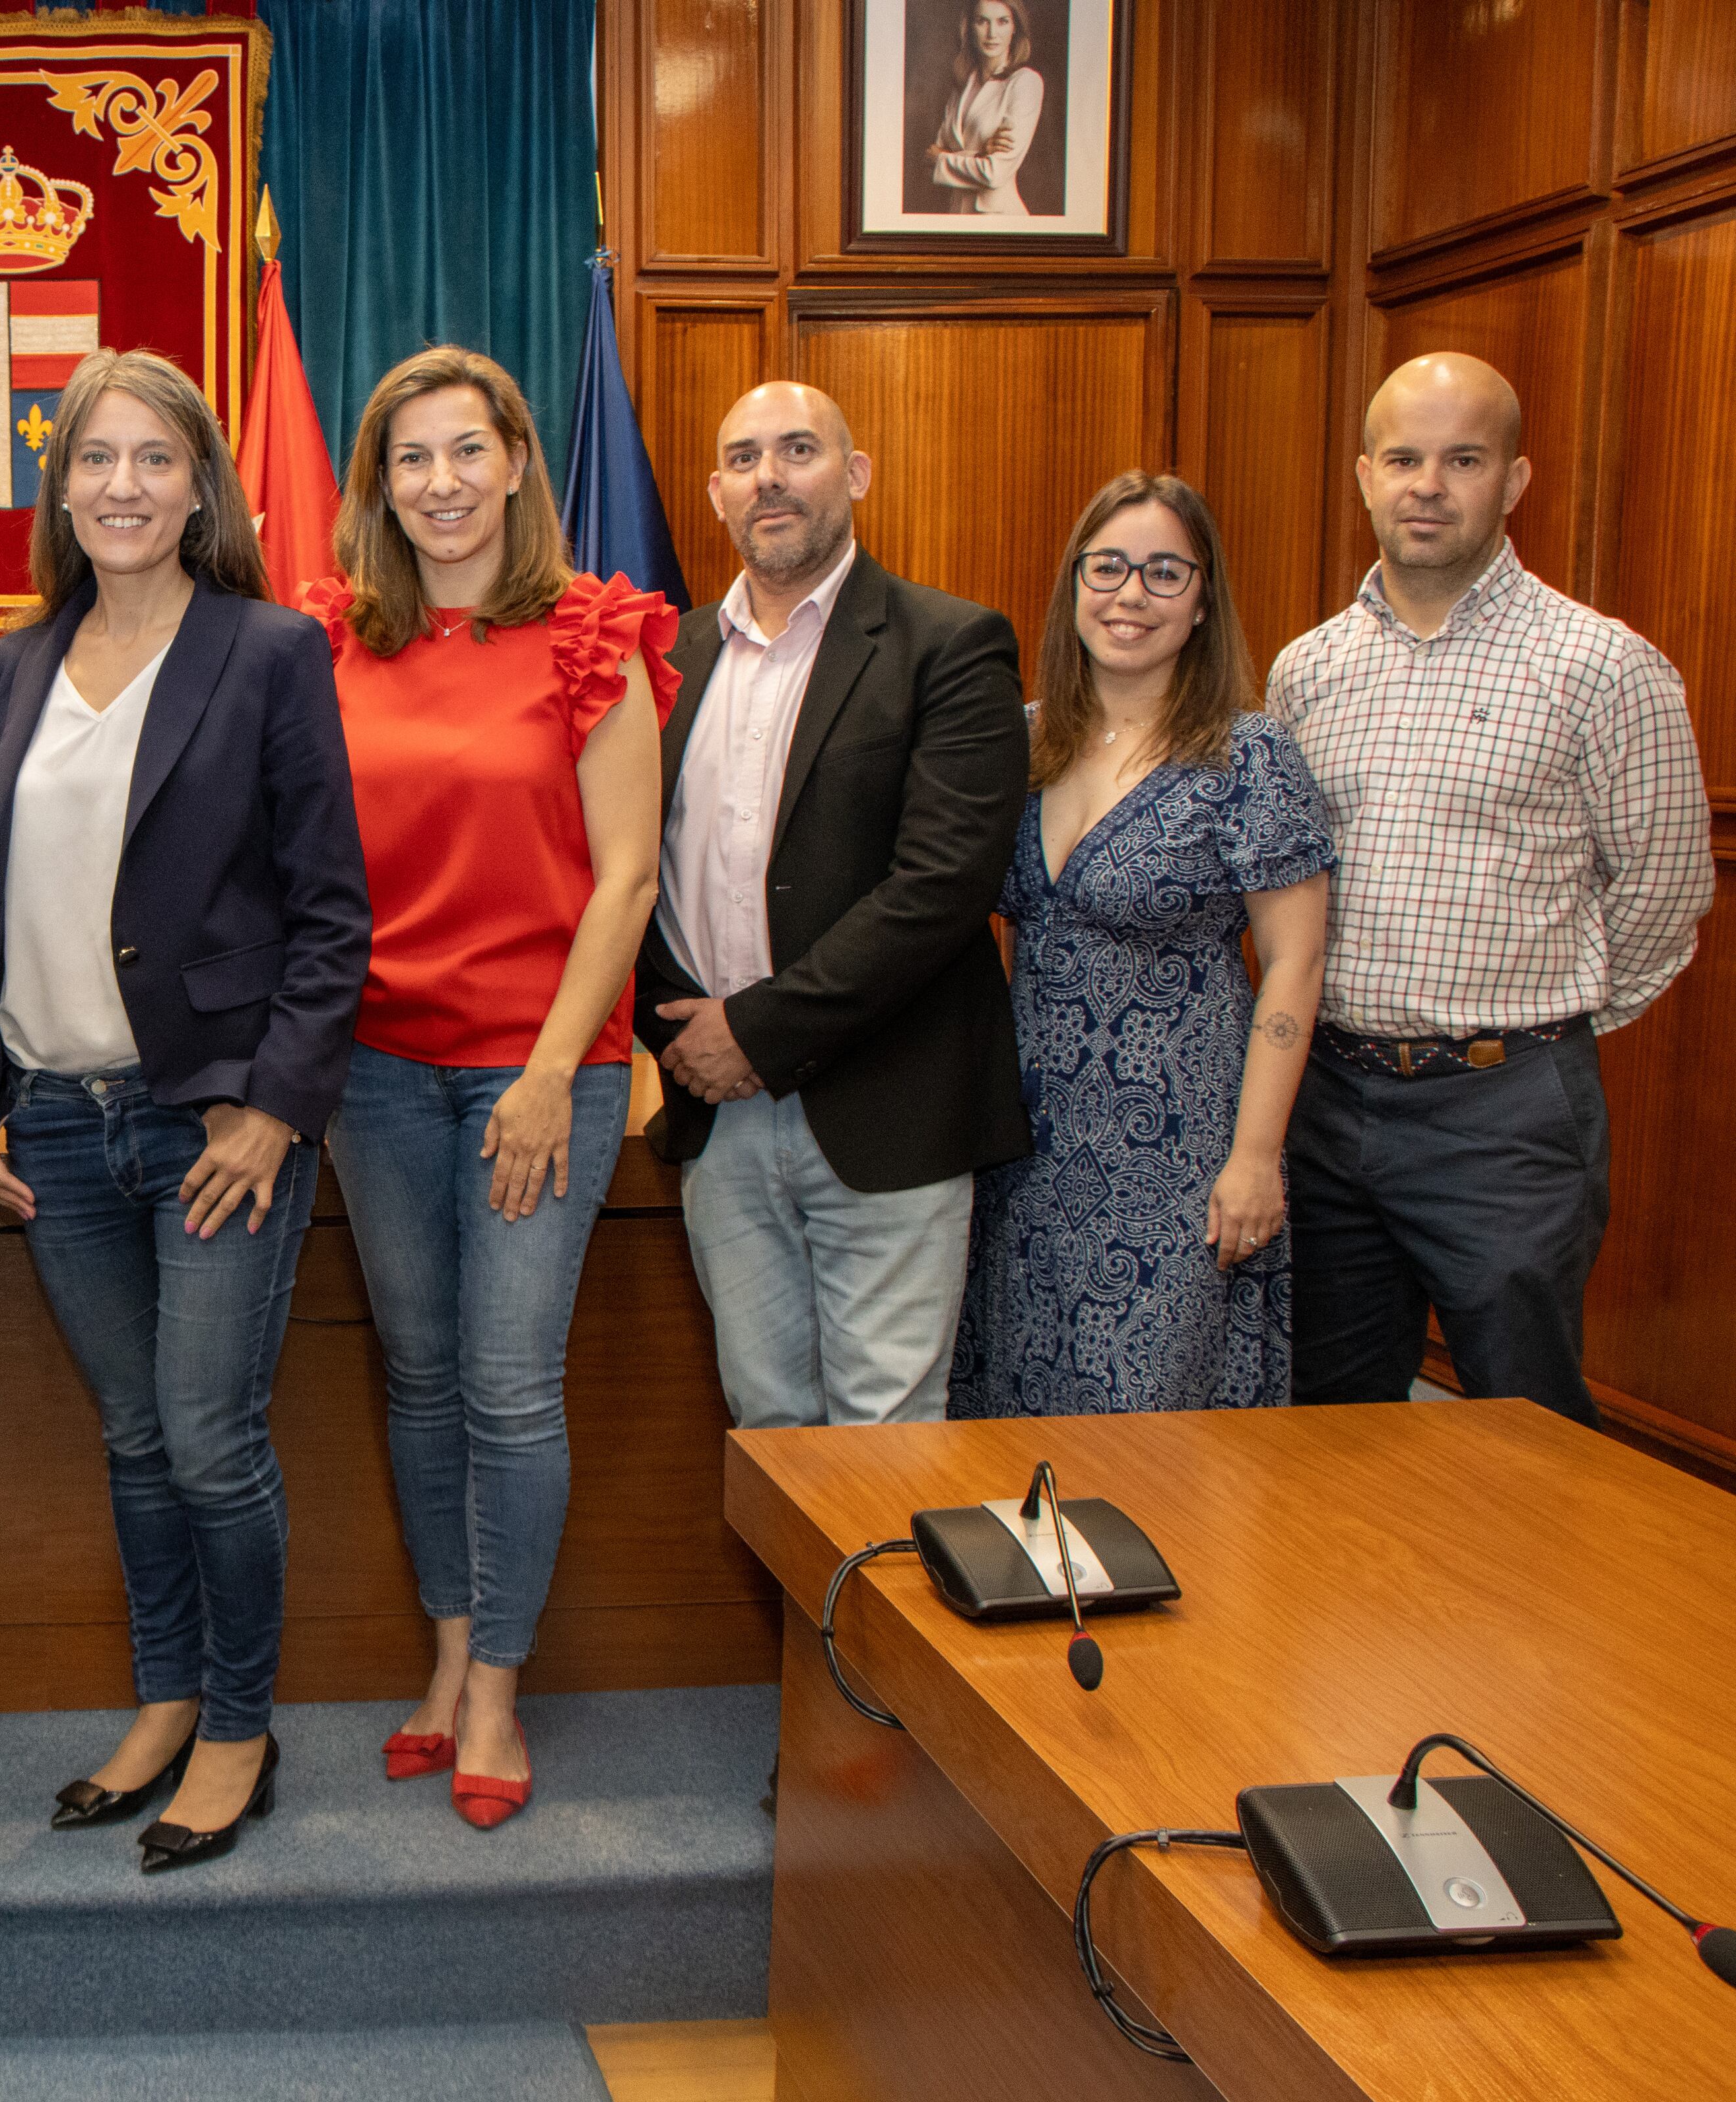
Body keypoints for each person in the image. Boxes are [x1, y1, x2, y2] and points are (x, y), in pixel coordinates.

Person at [0, 348, 367, 1872]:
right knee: (132, 1438)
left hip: (208, 1121)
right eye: (95, 460)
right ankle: (167, 1694)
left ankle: (240, 1722)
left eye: (153, 460)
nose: (122, 486)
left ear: (201, 484)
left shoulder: (267, 653)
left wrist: (273, 1108)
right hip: (54, 1115)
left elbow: (330, 915)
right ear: (60, 486)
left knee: (207, 1435)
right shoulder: (18, 665)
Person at [303, 348, 675, 1829]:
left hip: (543, 1071)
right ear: (377, 484)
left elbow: (627, 875)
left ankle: (503, 1691)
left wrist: (539, 1079)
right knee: (418, 1377)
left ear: (519, 461)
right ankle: (448, 1660)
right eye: (411, 459)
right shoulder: (333, 639)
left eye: (468, 451)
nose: (442, 484)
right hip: (376, 1072)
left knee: (510, 1388)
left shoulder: (592, 634)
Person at [1271, 353, 1711, 1425]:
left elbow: (1666, 889)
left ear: (1513, 482)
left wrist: (1542, 1029)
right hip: (1326, 1100)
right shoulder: (1306, 671)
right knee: (1331, 1425)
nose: (1430, 484)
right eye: (1407, 458)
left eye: (1463, 458)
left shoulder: (1604, 668)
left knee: (1527, 1429)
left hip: (1506, 1114)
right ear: (1366, 476)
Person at [634, 382, 1028, 1429]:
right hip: (716, 1114)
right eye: (745, 457)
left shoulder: (951, 645)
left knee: (885, 1436)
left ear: (852, 476)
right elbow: (628, 873)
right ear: (717, 494)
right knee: (767, 1434)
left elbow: (942, 888)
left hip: (885, 1106)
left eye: (799, 449)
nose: (771, 476)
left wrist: (752, 1032)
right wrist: (678, 1033)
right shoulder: (665, 660)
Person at [951, 473, 1333, 1415]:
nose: (1131, 596)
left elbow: (1295, 962)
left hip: (1179, 1159)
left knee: (1151, 1435)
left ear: (1204, 601)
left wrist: (1255, 1157)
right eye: (1110, 567)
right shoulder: (1022, 742)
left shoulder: (1249, 756)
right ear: (1074, 585)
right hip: (1025, 1152)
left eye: (1166, 573)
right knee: (1012, 1417)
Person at [927, 0, 1045, 216]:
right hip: (955, 219)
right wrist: (981, 153)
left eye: (1003, 21)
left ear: (1014, 28)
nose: (992, 33)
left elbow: (995, 173)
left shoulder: (1025, 83)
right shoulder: (961, 87)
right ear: (969, 27)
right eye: (982, 21)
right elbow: (928, 161)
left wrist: (941, 159)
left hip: (1000, 221)